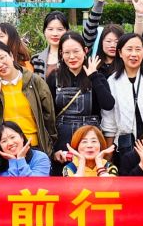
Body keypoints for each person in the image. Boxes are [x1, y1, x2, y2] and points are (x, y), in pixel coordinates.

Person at [0, 41, 57, 154]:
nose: (0, 64)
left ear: (11, 56)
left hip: (35, 147)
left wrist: (51, 145)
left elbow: (49, 116)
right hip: (7, 151)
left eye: (2, 57)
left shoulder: (34, 81)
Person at [45, 35, 115, 165]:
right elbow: (48, 114)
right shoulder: (54, 77)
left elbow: (108, 104)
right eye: (67, 52)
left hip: (90, 139)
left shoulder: (97, 76)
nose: (72, 57)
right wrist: (53, 148)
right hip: (62, 138)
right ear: (61, 54)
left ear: (85, 51)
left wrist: (93, 76)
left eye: (76, 51)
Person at [100, 31, 143, 147]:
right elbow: (109, 119)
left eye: (138, 49)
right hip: (126, 144)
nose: (134, 54)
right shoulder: (113, 81)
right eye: (129, 49)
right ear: (120, 53)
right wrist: (109, 149)